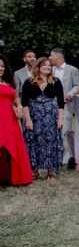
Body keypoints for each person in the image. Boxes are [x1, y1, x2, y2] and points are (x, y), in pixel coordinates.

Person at [22, 57, 64, 181]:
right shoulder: (29, 82)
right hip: (34, 117)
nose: (48, 67)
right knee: (33, 142)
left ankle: (50, 171)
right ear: (38, 67)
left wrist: (60, 119)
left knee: (51, 142)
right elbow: (24, 102)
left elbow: (61, 103)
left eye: (49, 65)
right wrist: (28, 119)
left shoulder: (56, 81)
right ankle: (34, 171)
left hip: (51, 117)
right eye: (44, 65)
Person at [0, 55, 32, 186]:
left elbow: (15, 99)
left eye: (2, 66)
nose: (1, 68)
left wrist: (19, 107)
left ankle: (13, 177)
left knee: (11, 146)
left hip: (10, 119)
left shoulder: (7, 83)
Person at [49, 48, 79, 170]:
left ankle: (72, 156)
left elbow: (77, 85)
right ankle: (57, 157)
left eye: (51, 55)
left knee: (66, 131)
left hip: (66, 105)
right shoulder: (49, 70)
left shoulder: (72, 70)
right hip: (51, 105)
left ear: (59, 56)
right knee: (54, 132)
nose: (49, 57)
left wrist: (70, 94)